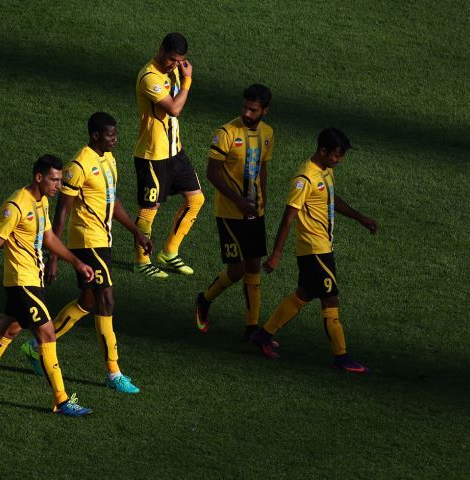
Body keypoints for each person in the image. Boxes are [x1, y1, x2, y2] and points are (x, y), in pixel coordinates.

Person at [20, 113, 153, 394]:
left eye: (116, 134)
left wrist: (136, 232)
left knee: (88, 300)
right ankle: (113, 372)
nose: (115, 139)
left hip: (103, 239)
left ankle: (36, 346)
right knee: (107, 299)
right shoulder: (78, 166)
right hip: (87, 242)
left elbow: (111, 201)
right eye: (110, 135)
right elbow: (62, 211)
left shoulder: (109, 159)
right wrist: (54, 257)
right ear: (95, 136)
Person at [0, 154, 96, 416]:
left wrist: (77, 263)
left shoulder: (41, 201)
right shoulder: (16, 205)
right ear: (38, 177)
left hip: (34, 279)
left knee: (9, 330)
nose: (58, 185)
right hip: (21, 282)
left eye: (60, 180)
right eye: (54, 180)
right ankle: (62, 400)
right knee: (47, 333)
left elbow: (49, 238)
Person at [250, 128, 377, 372]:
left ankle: (263, 335)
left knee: (305, 294)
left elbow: (330, 198)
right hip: (314, 249)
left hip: (322, 246)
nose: (339, 160)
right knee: (330, 298)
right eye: (337, 155)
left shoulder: (326, 171)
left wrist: (359, 217)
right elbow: (288, 218)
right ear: (323, 150)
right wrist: (276, 255)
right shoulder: (305, 178)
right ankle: (341, 357)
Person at [195, 84, 274, 341]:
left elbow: (262, 167)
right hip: (229, 212)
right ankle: (204, 299)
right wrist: (239, 201)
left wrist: (263, 200)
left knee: (254, 265)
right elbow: (212, 173)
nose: (247, 113)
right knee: (237, 269)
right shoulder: (226, 133)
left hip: (254, 211)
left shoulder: (268, 133)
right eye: (245, 108)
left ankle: (251, 327)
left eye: (253, 110)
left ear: (265, 110)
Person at [132, 32, 205, 278]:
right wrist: (187, 81)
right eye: (172, 59)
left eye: (179, 61)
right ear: (161, 49)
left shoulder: (172, 71)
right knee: (149, 209)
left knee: (196, 200)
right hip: (152, 156)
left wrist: (181, 76)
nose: (174, 65)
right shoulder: (149, 76)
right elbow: (174, 109)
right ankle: (142, 261)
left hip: (175, 152)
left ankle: (169, 252)